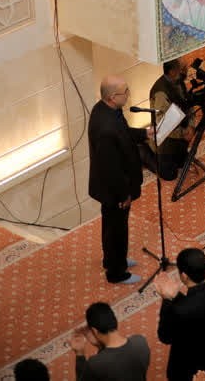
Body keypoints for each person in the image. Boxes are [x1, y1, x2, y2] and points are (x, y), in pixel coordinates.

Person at [88, 74, 151, 284]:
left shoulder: (106, 109)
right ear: (113, 97)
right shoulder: (106, 128)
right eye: (126, 91)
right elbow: (111, 169)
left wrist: (144, 134)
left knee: (111, 226)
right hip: (114, 190)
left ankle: (113, 260)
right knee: (117, 230)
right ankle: (117, 272)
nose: (129, 95)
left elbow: (123, 134)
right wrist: (124, 194)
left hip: (112, 186)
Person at [155, 248, 205, 381]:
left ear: (184, 276)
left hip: (190, 369)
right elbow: (197, 304)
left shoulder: (178, 310)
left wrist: (167, 299)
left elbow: (165, 337)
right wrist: (176, 297)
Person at [69, 302, 150, 381]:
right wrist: (100, 346)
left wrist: (79, 354)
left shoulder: (95, 364)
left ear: (95, 330)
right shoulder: (140, 342)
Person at [148, 57, 193, 176]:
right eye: (183, 68)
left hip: (180, 134)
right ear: (172, 71)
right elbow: (163, 124)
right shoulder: (160, 92)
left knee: (183, 164)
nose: (186, 71)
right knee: (169, 175)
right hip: (166, 139)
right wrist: (183, 132)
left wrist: (191, 125)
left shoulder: (178, 81)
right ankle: (144, 151)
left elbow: (188, 103)